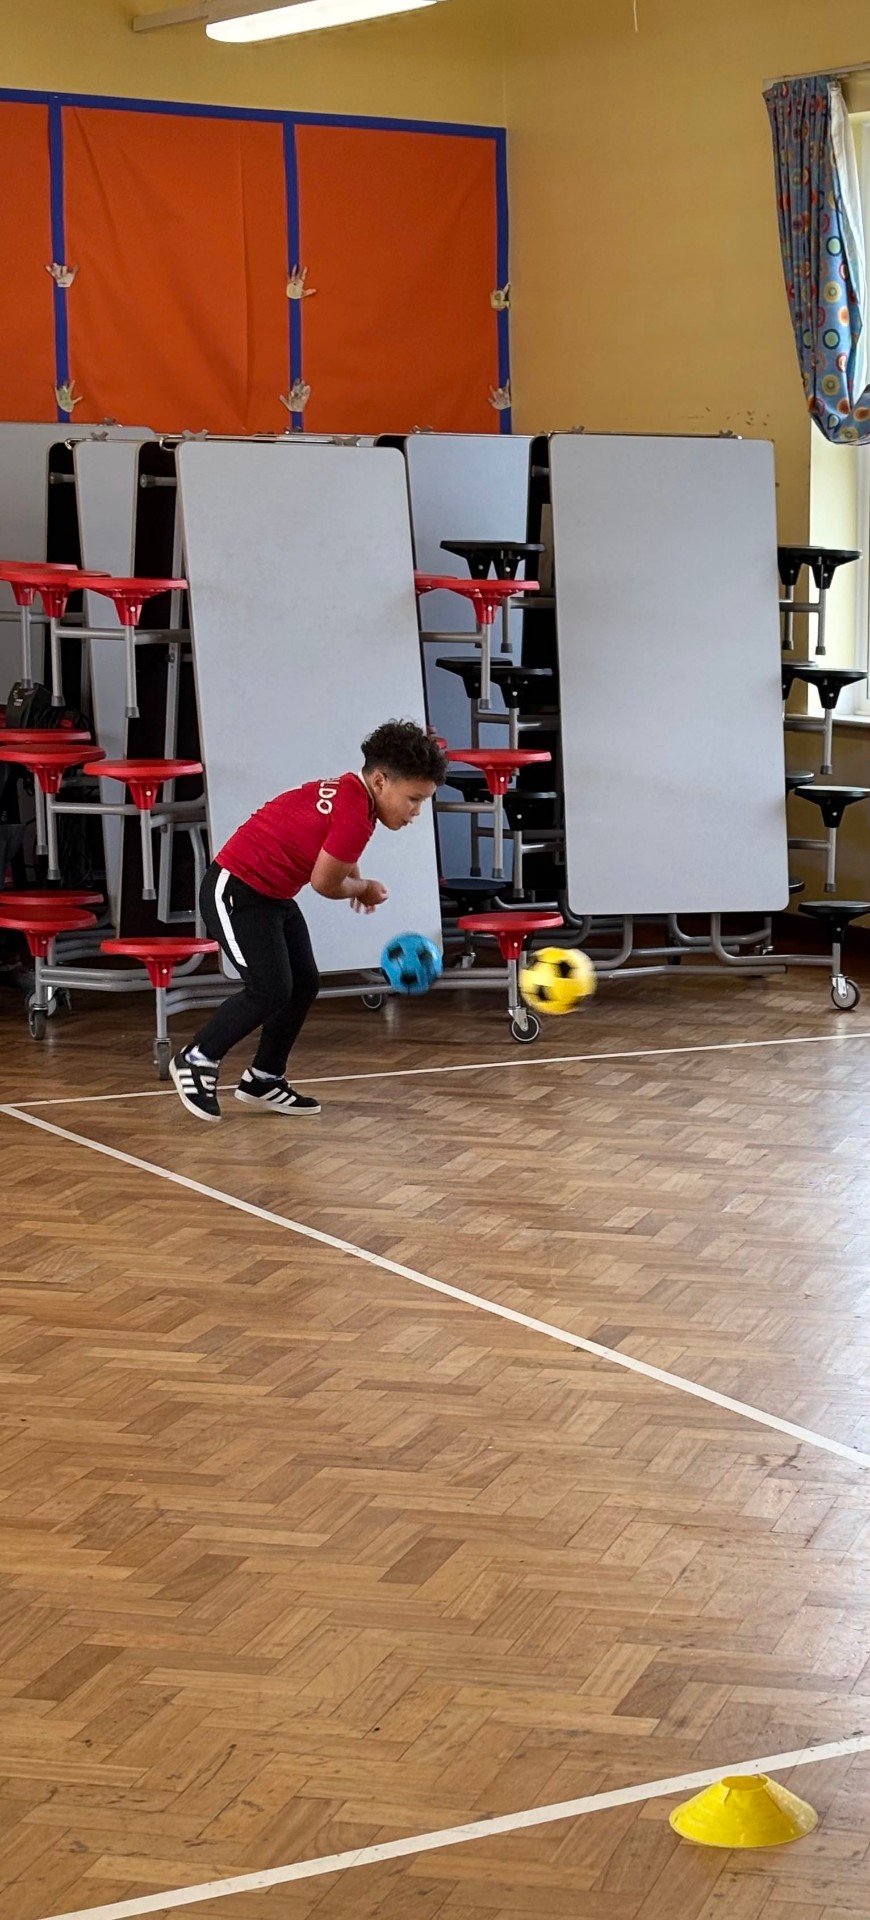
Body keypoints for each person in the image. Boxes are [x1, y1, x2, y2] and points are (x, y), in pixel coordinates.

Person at [170, 719, 447, 1123]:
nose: (416, 812)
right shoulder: (356, 811)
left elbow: (339, 849)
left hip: (274, 895)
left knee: (303, 983)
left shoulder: (355, 795)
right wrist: (362, 887)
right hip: (235, 890)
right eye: (413, 799)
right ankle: (197, 1058)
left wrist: (354, 878)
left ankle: (263, 1078)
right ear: (382, 781)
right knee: (269, 989)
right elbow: (323, 883)